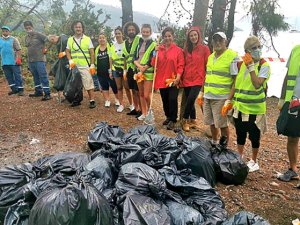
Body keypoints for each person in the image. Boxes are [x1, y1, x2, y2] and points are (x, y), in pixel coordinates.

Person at [229, 36, 270, 172]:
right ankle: (239, 157)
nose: (258, 50)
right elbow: (236, 84)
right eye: (254, 48)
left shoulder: (264, 65)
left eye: (259, 46)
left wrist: (252, 67)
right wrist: (229, 100)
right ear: (247, 51)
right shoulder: (241, 65)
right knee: (240, 132)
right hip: (240, 106)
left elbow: (257, 84)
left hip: (254, 108)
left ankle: (254, 160)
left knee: (254, 135)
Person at [198, 31, 238, 147]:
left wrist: (229, 99)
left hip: (221, 97)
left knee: (222, 124)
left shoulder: (232, 56)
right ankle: (215, 142)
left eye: (220, 40)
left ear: (225, 41)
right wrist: (202, 92)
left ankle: (224, 147)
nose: (217, 42)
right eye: (215, 40)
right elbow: (207, 75)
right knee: (211, 122)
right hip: (208, 95)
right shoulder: (211, 57)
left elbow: (236, 79)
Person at [277, 44, 300, 182]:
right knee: (292, 136)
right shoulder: (296, 50)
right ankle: (293, 169)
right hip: (294, 101)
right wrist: (282, 99)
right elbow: (287, 77)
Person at [153, 27, 184, 130]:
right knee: (165, 99)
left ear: (173, 36)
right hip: (162, 78)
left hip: (172, 79)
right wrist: (154, 52)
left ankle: (173, 119)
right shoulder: (159, 49)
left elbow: (181, 65)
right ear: (163, 37)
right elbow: (154, 63)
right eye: (165, 36)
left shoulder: (178, 50)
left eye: (169, 36)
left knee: (172, 98)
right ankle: (168, 116)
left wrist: (178, 77)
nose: (167, 38)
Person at [181, 26, 210, 132]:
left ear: (198, 36)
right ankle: (193, 120)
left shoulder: (204, 49)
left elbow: (208, 64)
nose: (193, 37)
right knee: (190, 101)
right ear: (189, 37)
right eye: (191, 35)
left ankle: (184, 120)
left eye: (195, 35)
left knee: (191, 99)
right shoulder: (186, 50)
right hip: (187, 79)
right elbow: (183, 63)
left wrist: (207, 77)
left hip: (199, 79)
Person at [65, 20, 96, 108]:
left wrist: (92, 64)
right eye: (76, 27)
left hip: (85, 64)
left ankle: (92, 100)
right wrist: (70, 60)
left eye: (79, 27)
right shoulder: (70, 39)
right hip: (74, 66)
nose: (78, 29)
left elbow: (92, 52)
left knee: (88, 82)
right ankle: (76, 100)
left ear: (82, 29)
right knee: (75, 84)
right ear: (73, 28)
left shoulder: (87, 39)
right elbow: (67, 51)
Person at [24, 21, 51, 100]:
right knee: (35, 76)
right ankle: (38, 91)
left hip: (40, 59)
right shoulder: (26, 37)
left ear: (32, 27)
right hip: (31, 60)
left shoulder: (39, 35)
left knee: (43, 75)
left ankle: (47, 93)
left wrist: (46, 49)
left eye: (29, 28)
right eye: (26, 28)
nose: (28, 29)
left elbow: (49, 40)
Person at [133, 24, 156, 121]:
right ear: (141, 32)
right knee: (141, 94)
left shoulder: (154, 45)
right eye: (144, 32)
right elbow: (134, 57)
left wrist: (144, 68)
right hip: (139, 71)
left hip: (148, 72)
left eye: (147, 32)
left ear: (150, 32)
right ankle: (144, 112)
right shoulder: (139, 43)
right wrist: (139, 67)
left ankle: (150, 112)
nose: (145, 34)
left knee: (146, 95)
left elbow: (152, 58)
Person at [95, 33, 118, 107]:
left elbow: (112, 59)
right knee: (104, 86)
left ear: (106, 39)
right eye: (100, 38)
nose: (101, 39)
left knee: (114, 85)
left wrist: (111, 70)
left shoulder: (110, 47)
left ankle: (117, 99)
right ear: (98, 39)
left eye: (103, 38)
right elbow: (96, 60)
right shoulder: (97, 49)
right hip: (100, 71)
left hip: (109, 71)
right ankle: (107, 100)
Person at [110, 26, 131, 112]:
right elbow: (110, 59)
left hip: (124, 69)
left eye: (119, 33)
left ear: (122, 34)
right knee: (119, 87)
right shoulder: (112, 46)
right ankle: (121, 104)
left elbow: (127, 57)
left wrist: (125, 70)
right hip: (116, 69)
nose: (117, 35)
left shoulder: (126, 44)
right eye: (116, 34)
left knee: (127, 87)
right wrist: (110, 70)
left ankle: (131, 104)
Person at [123, 22, 141, 116]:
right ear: (126, 31)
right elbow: (125, 58)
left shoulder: (139, 40)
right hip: (129, 69)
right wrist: (124, 70)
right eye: (129, 30)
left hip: (137, 69)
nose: (131, 31)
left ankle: (142, 110)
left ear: (136, 30)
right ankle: (136, 108)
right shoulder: (125, 43)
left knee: (138, 90)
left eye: (133, 30)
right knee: (133, 90)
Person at [0, 25, 24, 96]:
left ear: (9, 32)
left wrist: (18, 59)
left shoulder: (13, 39)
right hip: (4, 62)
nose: (5, 32)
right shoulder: (0, 40)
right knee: (9, 76)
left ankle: (20, 90)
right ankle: (14, 89)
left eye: (6, 31)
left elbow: (19, 49)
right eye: (3, 31)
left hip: (14, 61)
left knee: (17, 76)